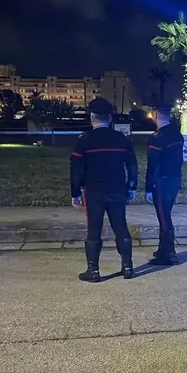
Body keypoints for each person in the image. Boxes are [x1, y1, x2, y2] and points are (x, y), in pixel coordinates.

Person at [70, 98, 138, 282]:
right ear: (110, 118)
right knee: (121, 228)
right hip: (117, 190)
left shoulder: (84, 141)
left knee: (94, 231)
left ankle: (93, 271)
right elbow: (132, 165)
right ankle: (127, 267)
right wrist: (132, 186)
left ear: (92, 117)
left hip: (94, 192)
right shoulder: (122, 140)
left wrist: (75, 193)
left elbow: (76, 169)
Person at [145, 105, 184, 265]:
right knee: (165, 214)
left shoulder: (157, 137)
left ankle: (169, 254)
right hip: (174, 179)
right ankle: (163, 249)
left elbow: (153, 164)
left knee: (164, 217)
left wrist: (149, 187)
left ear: (155, 115)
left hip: (161, 181)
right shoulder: (176, 134)